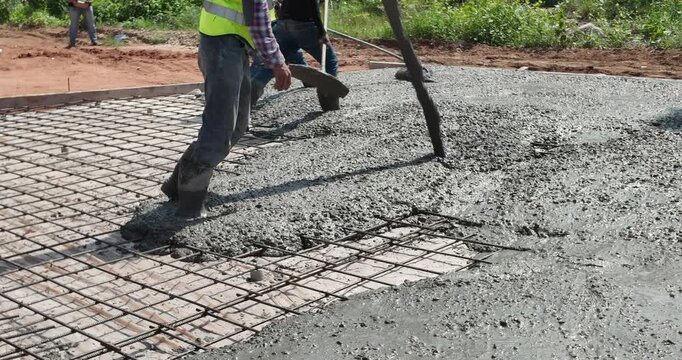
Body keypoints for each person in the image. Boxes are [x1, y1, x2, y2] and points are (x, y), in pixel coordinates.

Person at [161, 0, 292, 219]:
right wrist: (277, 61)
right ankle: (190, 204)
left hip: (234, 44)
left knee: (237, 125)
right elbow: (257, 18)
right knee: (220, 127)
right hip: (222, 43)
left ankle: (175, 185)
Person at [250, 0, 338, 104]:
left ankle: (255, 85)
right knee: (330, 60)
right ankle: (329, 100)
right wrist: (321, 31)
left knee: (276, 63)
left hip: (283, 23)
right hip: (303, 23)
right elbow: (313, 4)